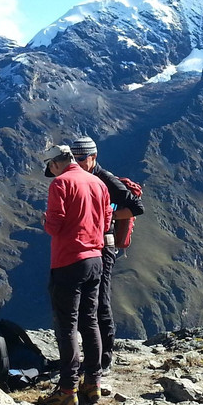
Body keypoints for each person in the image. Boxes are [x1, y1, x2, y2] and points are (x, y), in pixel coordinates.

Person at [40, 144, 112, 405]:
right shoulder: (97, 182)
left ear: (55, 163)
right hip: (96, 260)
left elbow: (55, 224)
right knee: (90, 321)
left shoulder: (60, 184)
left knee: (67, 326)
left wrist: (45, 220)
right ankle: (93, 383)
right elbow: (106, 223)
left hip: (68, 260)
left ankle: (68, 388)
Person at [66, 137, 143, 374]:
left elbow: (136, 207)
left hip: (104, 246)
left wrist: (106, 217)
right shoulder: (82, 178)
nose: (77, 163)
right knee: (87, 303)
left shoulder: (106, 180)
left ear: (93, 157)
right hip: (87, 246)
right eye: (73, 159)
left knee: (100, 301)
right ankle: (92, 356)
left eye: (81, 159)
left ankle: (105, 360)